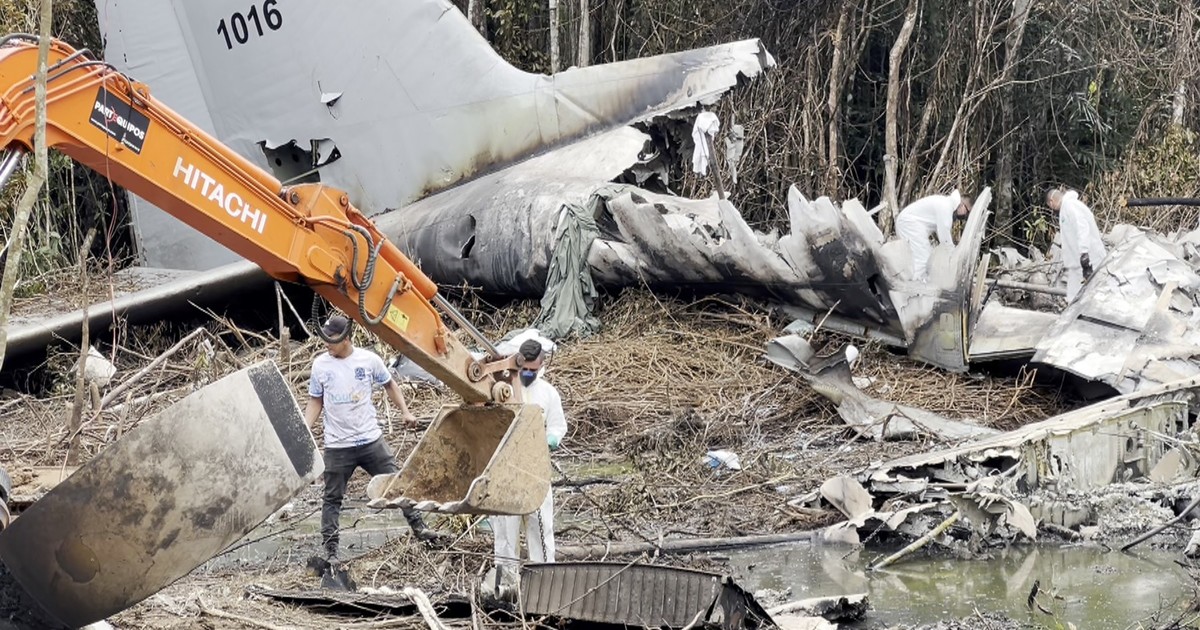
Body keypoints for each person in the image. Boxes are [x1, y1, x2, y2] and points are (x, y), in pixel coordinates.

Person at [304, 315, 436, 563]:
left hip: (370, 441)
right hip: (338, 446)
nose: (326, 343)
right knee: (332, 498)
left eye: (330, 339)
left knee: (396, 483)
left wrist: (405, 411)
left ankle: (420, 529)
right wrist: (305, 428)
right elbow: (315, 401)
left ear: (345, 337)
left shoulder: (369, 360)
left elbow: (390, 384)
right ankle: (331, 551)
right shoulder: (320, 366)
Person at [492, 337, 567, 581]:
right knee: (505, 532)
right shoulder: (502, 389)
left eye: (532, 370)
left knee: (540, 527)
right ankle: (507, 581)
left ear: (541, 366)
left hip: (536, 470)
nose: (527, 374)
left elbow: (557, 425)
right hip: (506, 471)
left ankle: (544, 580)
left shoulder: (547, 393)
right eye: (523, 368)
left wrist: (551, 439)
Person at [894, 191, 972, 282]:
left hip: (908, 223)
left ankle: (912, 282)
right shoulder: (946, 208)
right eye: (967, 212)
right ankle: (916, 285)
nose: (965, 216)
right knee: (923, 259)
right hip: (909, 223)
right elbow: (945, 241)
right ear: (962, 205)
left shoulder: (946, 204)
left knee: (917, 258)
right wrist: (954, 258)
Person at [1046, 188, 1107, 301]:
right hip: (1077, 263)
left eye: (1050, 206)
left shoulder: (1070, 206)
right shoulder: (1066, 208)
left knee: (1093, 292)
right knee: (1075, 296)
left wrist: (1084, 253)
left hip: (1088, 259)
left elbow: (1082, 228)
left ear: (1051, 201)